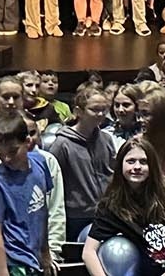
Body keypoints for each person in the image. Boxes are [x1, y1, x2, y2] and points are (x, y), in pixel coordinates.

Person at [84, 137, 165, 276]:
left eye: (143, 162)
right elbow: (88, 252)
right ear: (120, 165)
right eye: (131, 161)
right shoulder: (111, 206)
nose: (137, 167)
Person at [0, 113, 59, 276]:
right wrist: (2, 272)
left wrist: (46, 252)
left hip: (36, 257)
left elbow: (42, 213)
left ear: (28, 142)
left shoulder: (41, 163)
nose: (6, 159)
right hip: (16, 261)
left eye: (13, 151)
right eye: (0, 153)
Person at [54, 88, 118, 239]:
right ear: (79, 111)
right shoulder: (62, 144)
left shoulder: (106, 139)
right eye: (95, 110)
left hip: (106, 212)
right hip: (77, 216)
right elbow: (54, 182)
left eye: (104, 109)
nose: (101, 114)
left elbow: (112, 172)